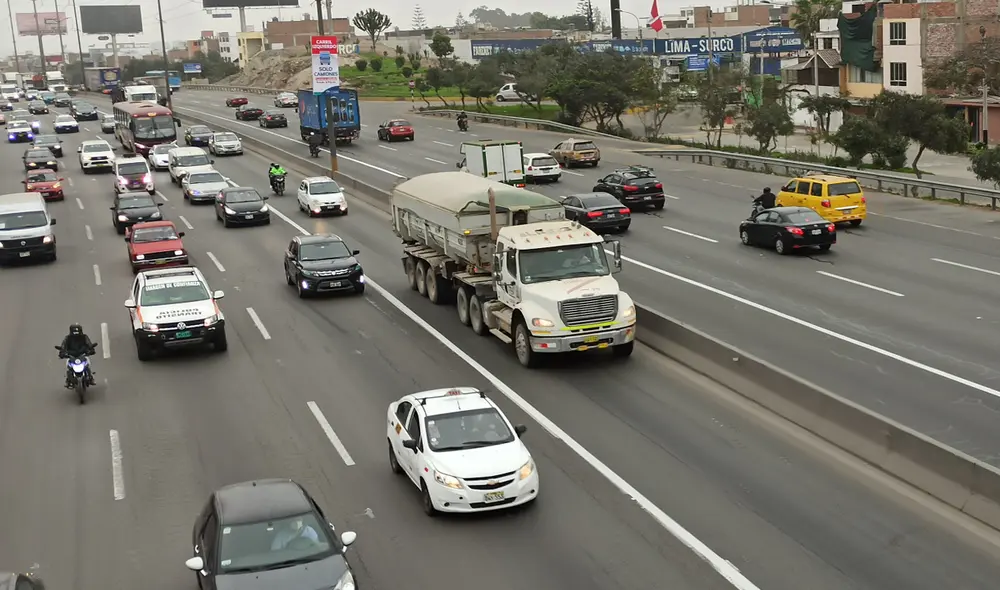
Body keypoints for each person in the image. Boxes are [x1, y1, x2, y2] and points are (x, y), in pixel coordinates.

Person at [58, 323, 96, 387]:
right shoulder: (67, 338)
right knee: (69, 366)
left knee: (87, 364)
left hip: (82, 354)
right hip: (71, 356)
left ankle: (90, 377)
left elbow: (89, 344)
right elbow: (63, 346)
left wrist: (91, 350)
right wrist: (62, 353)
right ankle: (68, 380)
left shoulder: (84, 337)